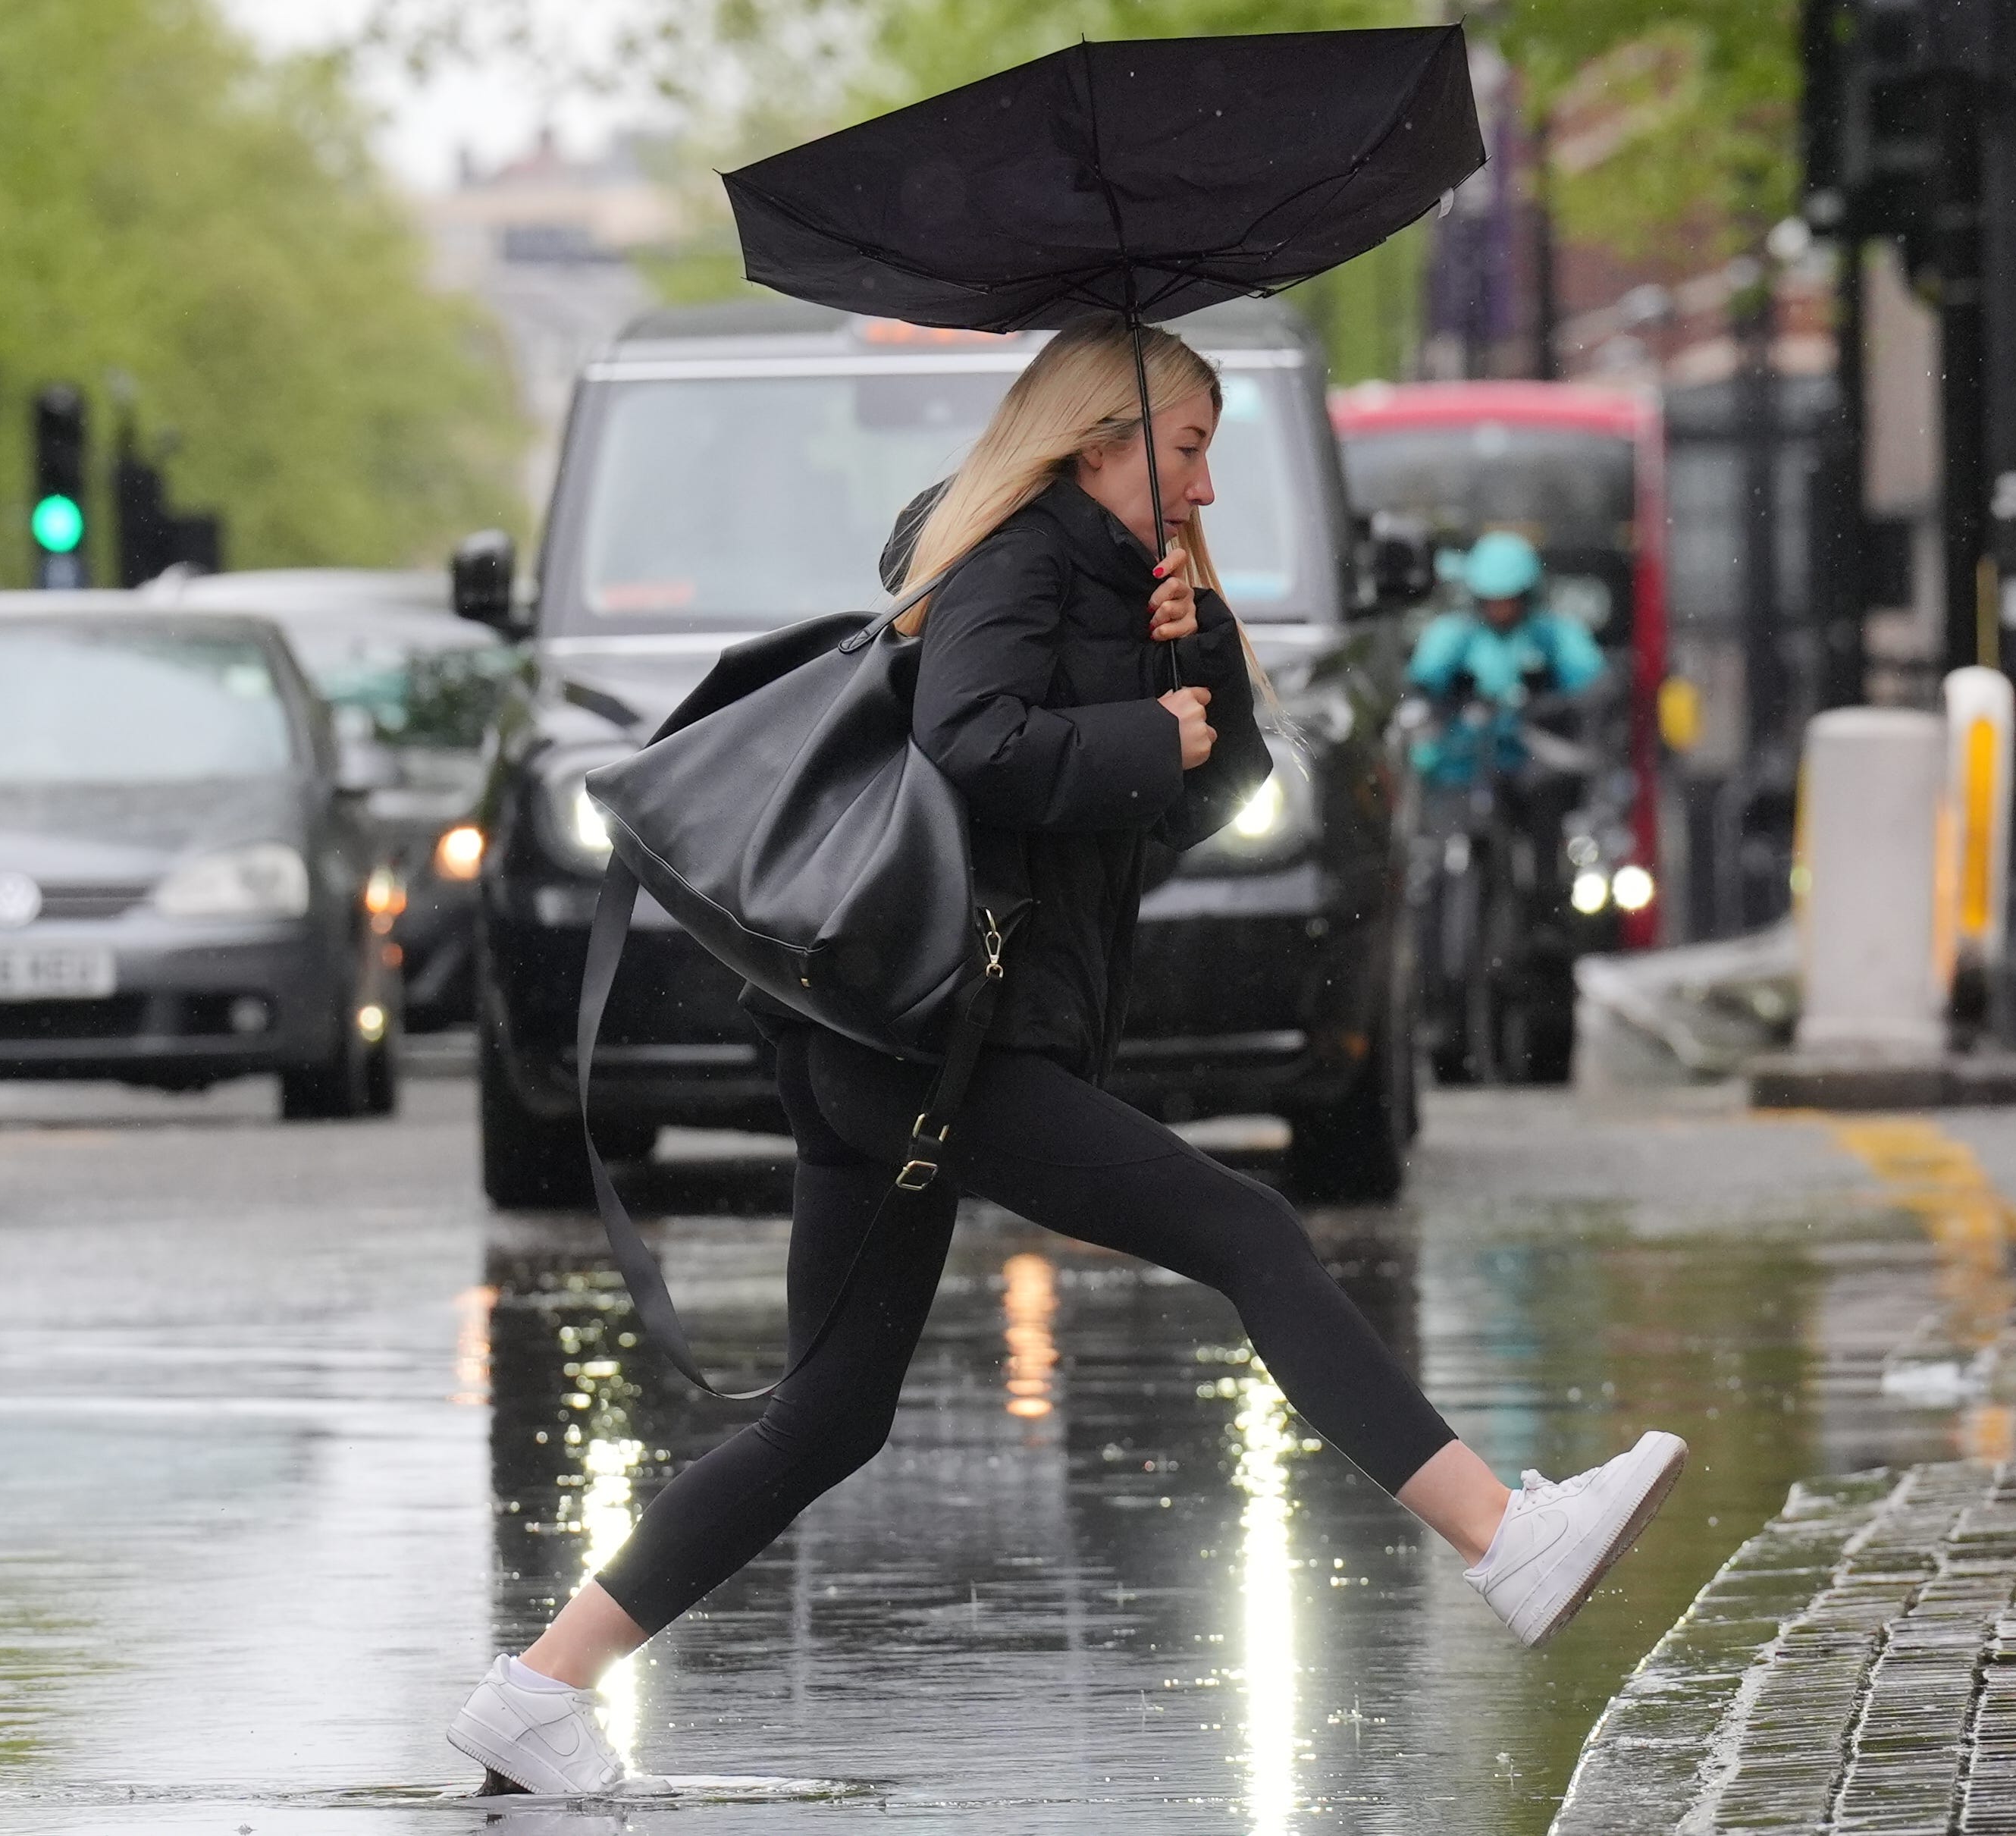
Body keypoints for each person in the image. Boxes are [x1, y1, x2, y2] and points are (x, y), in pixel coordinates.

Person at [444, 322, 1688, 1798]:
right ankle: (1503, 1536)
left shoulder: (1102, 583)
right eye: (1186, 450)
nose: (1207, 484)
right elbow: (974, 740)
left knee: (829, 1414)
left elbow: (1202, 792)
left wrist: (1196, 641)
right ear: (1097, 439)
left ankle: (537, 1685)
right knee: (1248, 1228)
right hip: (937, 1037)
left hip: (891, 1041)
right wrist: (1137, 728)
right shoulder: (1008, 561)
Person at [1405, 528, 1607, 793]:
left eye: (1509, 599)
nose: (1500, 609)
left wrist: (1544, 707)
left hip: (1539, 772)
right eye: (1492, 600)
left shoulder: (1555, 636)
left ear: (1527, 594)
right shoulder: (1454, 636)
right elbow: (1423, 692)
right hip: (1461, 771)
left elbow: (1594, 690)